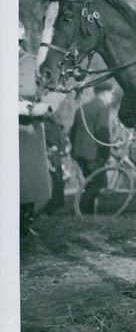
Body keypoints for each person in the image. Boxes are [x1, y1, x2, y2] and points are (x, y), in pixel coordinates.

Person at [19, 21, 64, 235]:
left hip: (28, 131)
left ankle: (24, 225)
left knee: (27, 182)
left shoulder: (34, 63)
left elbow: (59, 86)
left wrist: (46, 105)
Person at [70, 81, 115, 213]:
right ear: (105, 93)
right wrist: (107, 155)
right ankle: (83, 213)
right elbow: (102, 133)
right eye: (111, 94)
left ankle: (87, 213)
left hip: (79, 152)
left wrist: (74, 151)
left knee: (90, 182)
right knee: (98, 183)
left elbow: (73, 132)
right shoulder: (102, 107)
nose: (112, 97)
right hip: (92, 153)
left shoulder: (83, 108)